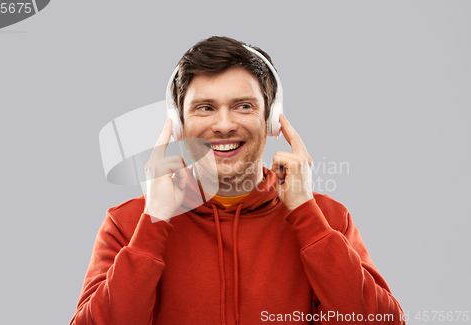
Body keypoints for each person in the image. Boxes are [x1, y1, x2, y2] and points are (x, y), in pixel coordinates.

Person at [71, 36, 405, 325]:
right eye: (205, 108)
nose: (224, 125)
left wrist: (305, 214)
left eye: (243, 106)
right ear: (177, 124)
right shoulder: (128, 224)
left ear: (272, 119)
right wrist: (155, 221)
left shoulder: (326, 219)